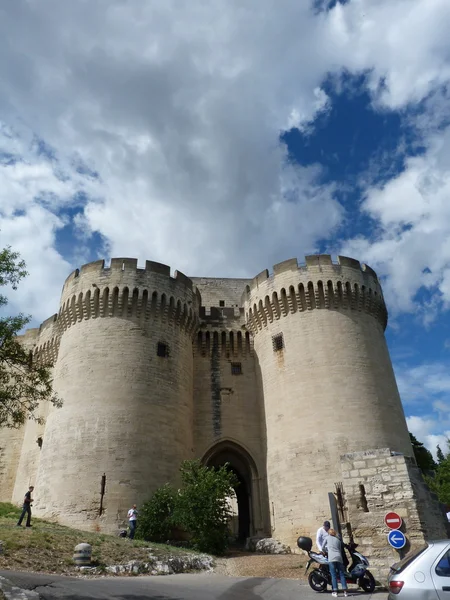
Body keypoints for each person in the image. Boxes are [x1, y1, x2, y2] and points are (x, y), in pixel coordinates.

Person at [322, 528, 349, 597]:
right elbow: (339, 549)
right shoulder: (338, 540)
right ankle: (345, 591)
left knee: (333, 575)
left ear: (329, 533)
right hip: (339, 557)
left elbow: (322, 547)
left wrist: (325, 551)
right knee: (341, 574)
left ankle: (335, 591)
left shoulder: (327, 538)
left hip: (331, 558)